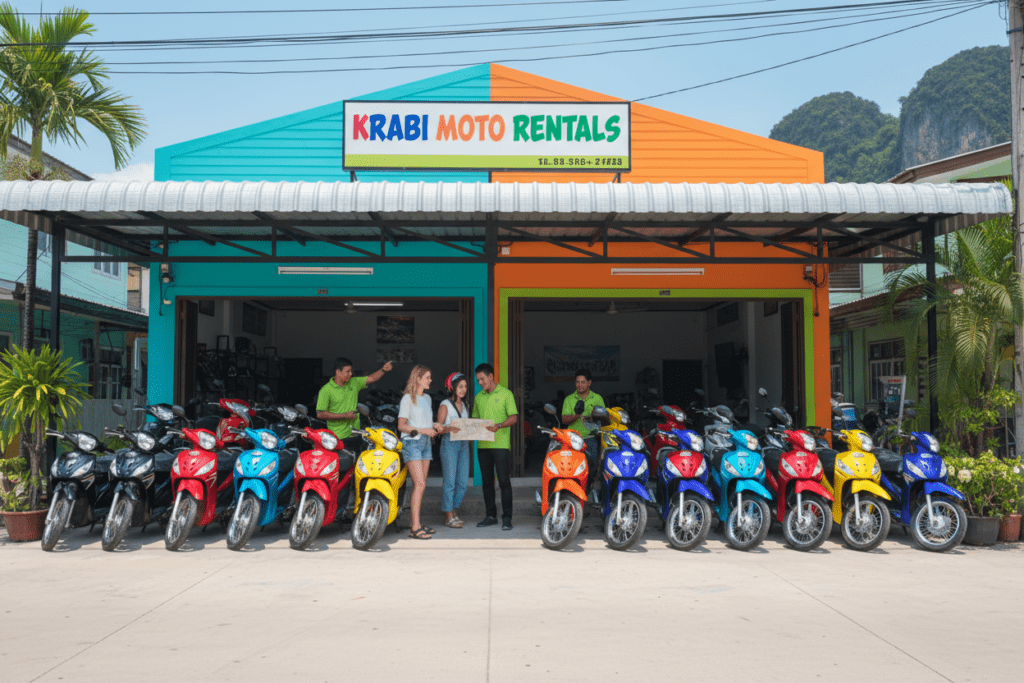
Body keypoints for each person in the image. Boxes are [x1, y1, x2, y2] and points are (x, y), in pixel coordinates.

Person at [471, 363, 518, 530]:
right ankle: (490, 516)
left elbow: (514, 418)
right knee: (487, 482)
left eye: (482, 379)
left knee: (504, 481)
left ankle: (507, 518)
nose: (480, 382)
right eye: (478, 380)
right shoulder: (478, 397)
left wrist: (499, 425)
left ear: (491, 376)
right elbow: (475, 420)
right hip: (482, 445)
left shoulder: (506, 394)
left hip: (501, 445)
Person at [316, 358, 393, 453]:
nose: (351, 374)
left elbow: (372, 378)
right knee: (342, 465)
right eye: (347, 371)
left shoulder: (354, 382)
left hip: (356, 434)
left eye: (351, 371)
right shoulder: (326, 390)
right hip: (337, 438)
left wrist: (383, 370)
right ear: (338, 372)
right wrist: (344, 416)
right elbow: (320, 414)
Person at [398, 365, 438, 540]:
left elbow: (425, 422)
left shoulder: (427, 398)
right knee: (420, 484)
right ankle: (414, 527)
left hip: (426, 443)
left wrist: (434, 426)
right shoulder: (408, 399)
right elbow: (402, 426)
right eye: (427, 377)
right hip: (412, 443)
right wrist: (423, 430)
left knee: (421, 486)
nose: (430, 380)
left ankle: (418, 523)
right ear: (418, 378)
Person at [435, 372, 471, 529]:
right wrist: (452, 428)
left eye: (465, 386)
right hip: (449, 443)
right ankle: (448, 515)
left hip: (463, 444)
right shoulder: (445, 404)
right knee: (450, 481)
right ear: (452, 387)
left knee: (462, 482)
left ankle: (454, 511)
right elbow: (438, 428)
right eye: (460, 386)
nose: (463, 389)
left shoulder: (466, 405)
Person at [561, 368, 606, 492]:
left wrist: (593, 417)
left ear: (589, 383)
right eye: (577, 382)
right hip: (572, 440)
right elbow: (564, 420)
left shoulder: (597, 398)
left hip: (590, 438)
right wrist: (577, 415)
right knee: (571, 469)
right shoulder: (569, 399)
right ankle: (572, 493)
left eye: (582, 382)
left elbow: (604, 419)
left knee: (591, 469)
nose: (579, 385)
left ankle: (586, 491)